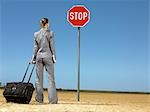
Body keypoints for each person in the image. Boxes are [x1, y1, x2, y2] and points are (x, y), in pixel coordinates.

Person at [31, 18, 58, 104]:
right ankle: (52, 100)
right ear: (47, 24)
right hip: (48, 56)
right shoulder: (50, 33)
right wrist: (54, 57)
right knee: (51, 78)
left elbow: (35, 47)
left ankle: (39, 100)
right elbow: (52, 46)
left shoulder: (36, 34)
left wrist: (33, 58)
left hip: (39, 57)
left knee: (38, 79)